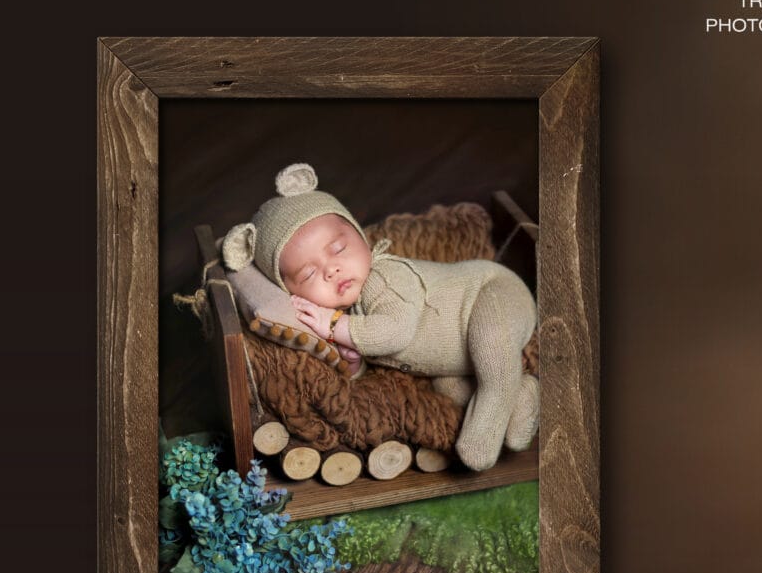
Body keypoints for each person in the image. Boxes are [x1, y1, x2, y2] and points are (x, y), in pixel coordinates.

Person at [220, 163, 539, 471]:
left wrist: (334, 325)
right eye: (309, 273)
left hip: (492, 292)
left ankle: (489, 422)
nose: (332, 269)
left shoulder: (383, 277)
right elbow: (371, 354)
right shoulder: (350, 313)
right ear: (293, 294)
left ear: (361, 237)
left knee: (492, 347)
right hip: (454, 360)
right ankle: (522, 393)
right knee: (452, 392)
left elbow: (394, 333)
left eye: (338, 248)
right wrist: (354, 363)